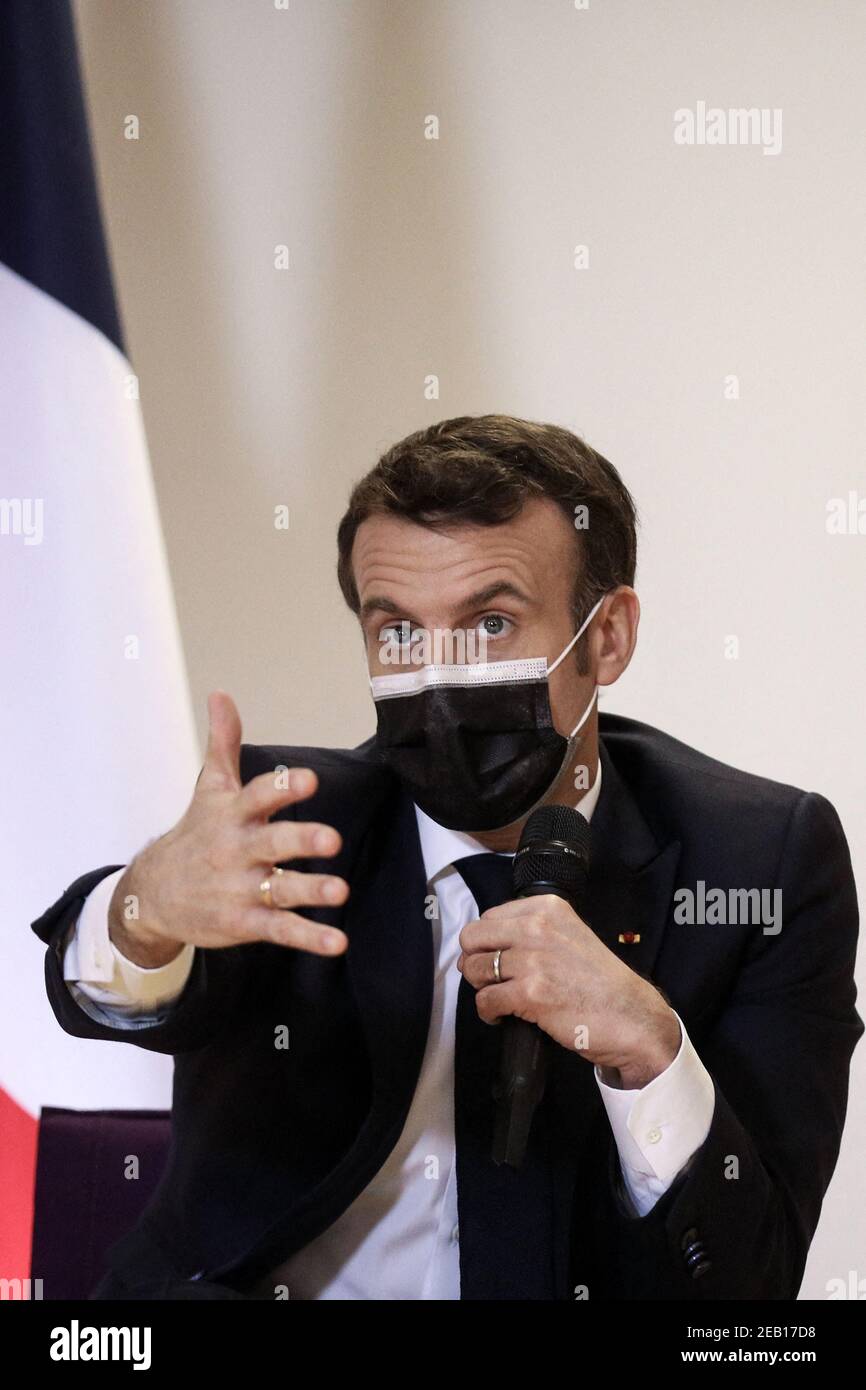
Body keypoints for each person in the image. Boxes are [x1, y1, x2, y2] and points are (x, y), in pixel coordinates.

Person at [32, 414, 863, 1300]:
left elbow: (751, 1292)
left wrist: (653, 1055)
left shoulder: (759, 864)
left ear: (607, 637)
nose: (439, 677)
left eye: (492, 622)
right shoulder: (287, 826)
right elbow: (121, 992)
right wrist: (143, 912)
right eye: (399, 635)